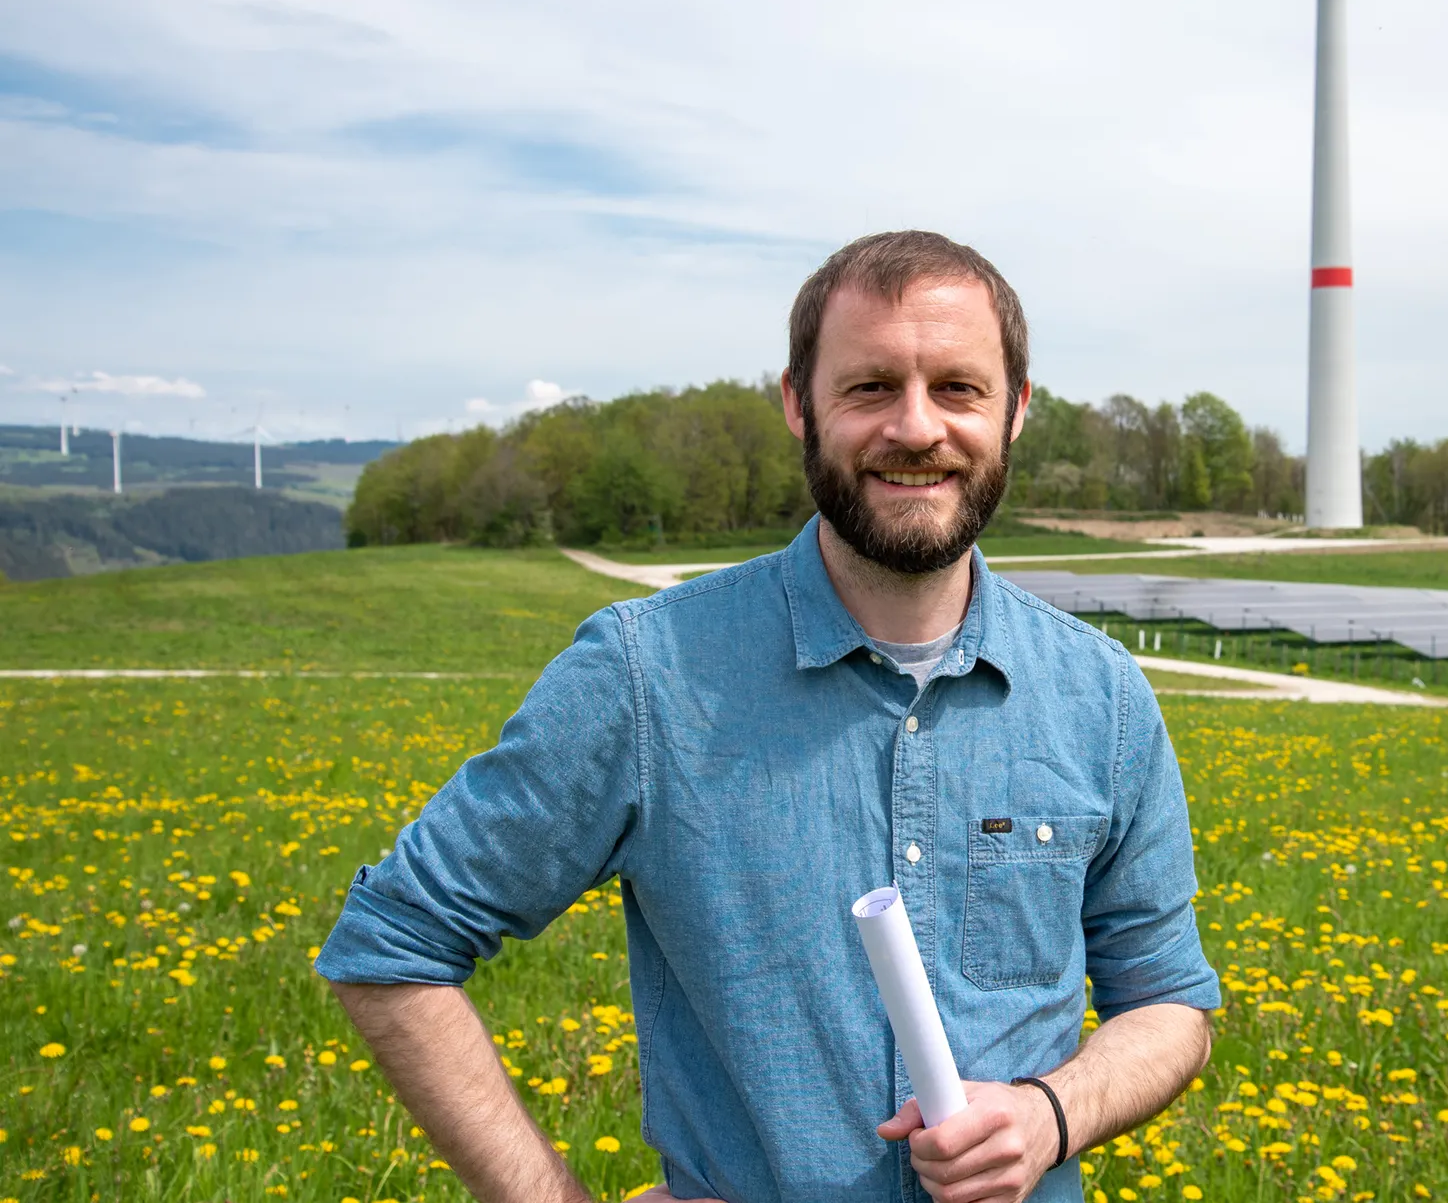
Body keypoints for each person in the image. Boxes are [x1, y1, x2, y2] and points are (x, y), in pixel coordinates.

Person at [316, 230, 1220, 1203]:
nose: (915, 428)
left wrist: (1051, 1114)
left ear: (1016, 412)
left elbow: (1169, 1003)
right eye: (869, 386)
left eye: (957, 388)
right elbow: (393, 943)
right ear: (797, 403)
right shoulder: (646, 674)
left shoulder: (1101, 697)